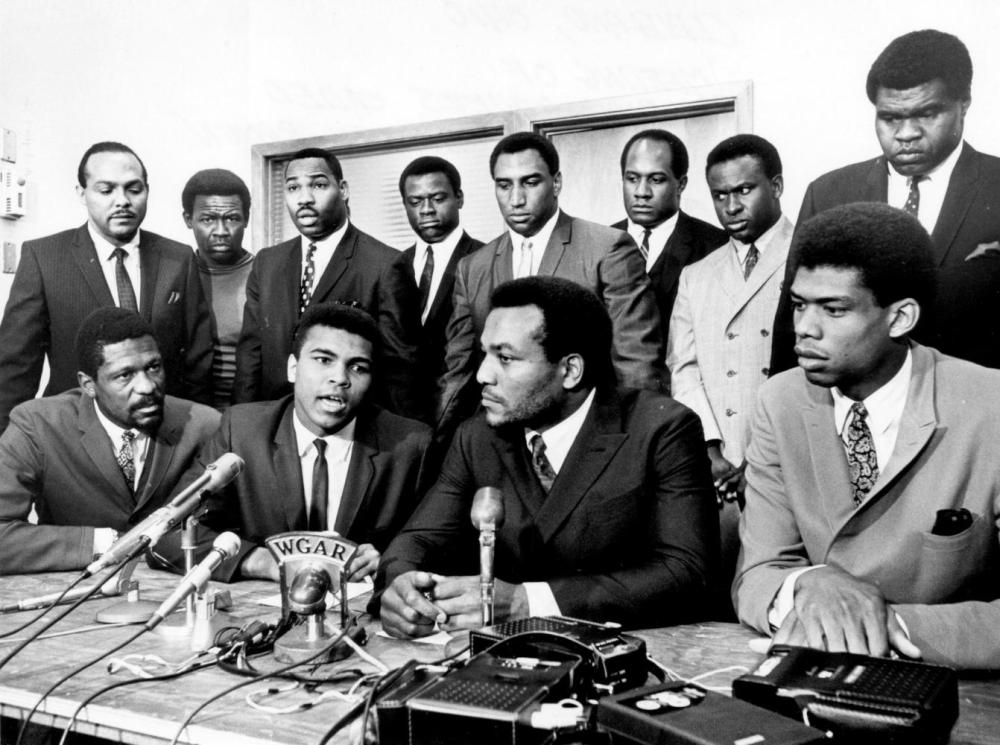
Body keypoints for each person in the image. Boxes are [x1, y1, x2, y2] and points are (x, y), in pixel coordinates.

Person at [735, 203, 1000, 670]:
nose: (804, 329)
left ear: (900, 318)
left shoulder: (989, 404)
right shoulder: (779, 401)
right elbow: (758, 573)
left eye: (833, 309)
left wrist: (886, 624)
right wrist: (809, 584)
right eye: (798, 305)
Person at [379, 276, 717, 638]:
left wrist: (528, 602)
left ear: (570, 371)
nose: (482, 375)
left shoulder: (662, 429)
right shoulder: (477, 436)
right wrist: (402, 586)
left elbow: (685, 572)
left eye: (506, 358)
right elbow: (417, 540)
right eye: (485, 354)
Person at [770, 29, 1000, 372]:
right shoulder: (829, 193)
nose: (906, 134)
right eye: (890, 118)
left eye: (927, 114)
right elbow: (793, 321)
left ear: (964, 104)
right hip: (852, 402)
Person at [158, 303, 435, 583]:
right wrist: (266, 562)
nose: (340, 378)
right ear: (293, 368)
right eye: (324, 360)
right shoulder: (241, 431)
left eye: (358, 367)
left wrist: (390, 561)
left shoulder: (411, 446)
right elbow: (167, 534)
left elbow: (444, 551)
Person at [437, 132, 666, 432]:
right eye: (504, 185)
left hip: (588, 433)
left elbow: (636, 364)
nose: (516, 199)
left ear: (556, 183)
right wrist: (440, 442)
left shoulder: (608, 249)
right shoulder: (472, 268)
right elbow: (458, 374)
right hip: (505, 437)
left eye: (530, 182)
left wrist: (634, 441)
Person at [0, 141, 213, 434]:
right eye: (106, 190)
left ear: (147, 191)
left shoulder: (178, 258)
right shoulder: (44, 258)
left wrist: (194, 435)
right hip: (73, 435)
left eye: (134, 189)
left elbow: (198, 363)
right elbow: (15, 370)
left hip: (162, 434)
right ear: (82, 192)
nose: (122, 201)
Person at [667, 134, 792, 598]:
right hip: (719, 466)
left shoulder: (809, 255)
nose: (732, 206)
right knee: (720, 594)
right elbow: (683, 367)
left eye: (744, 190)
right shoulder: (696, 275)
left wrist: (758, 458)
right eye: (720, 195)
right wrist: (710, 450)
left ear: (776, 186)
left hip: (784, 458)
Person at [0, 308, 219, 573]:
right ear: (88, 385)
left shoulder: (204, 425)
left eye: (153, 367)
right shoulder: (38, 426)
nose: (147, 387)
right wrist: (106, 542)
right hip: (75, 587)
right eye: (124, 375)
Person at [232, 148, 421, 418]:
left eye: (318, 185)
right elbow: (250, 357)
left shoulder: (385, 264)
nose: (305, 198)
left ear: (343, 190)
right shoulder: (267, 262)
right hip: (275, 423)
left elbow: (399, 372)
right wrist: (242, 422)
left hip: (351, 424)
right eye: (293, 187)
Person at [613, 129, 726, 343]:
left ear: (681, 184)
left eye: (656, 180)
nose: (641, 192)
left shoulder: (717, 245)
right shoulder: (600, 243)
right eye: (632, 179)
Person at [398, 156, 484, 423]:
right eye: (415, 202)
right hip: (403, 422)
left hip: (468, 418)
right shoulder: (393, 265)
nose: (426, 210)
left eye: (437, 198)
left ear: (459, 198)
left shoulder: (485, 260)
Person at [182, 168, 255, 409]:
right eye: (208, 219)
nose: (221, 231)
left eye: (232, 218)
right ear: (188, 219)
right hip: (187, 410)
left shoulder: (266, 275)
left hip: (252, 409)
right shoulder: (173, 276)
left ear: (246, 219)